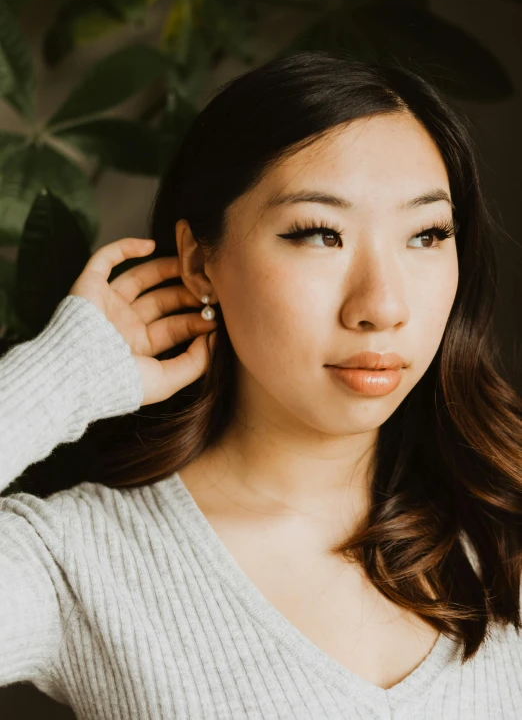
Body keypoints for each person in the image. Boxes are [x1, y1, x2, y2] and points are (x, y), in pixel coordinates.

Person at [1, 51, 521, 720]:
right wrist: (56, 381)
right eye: (318, 234)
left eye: (426, 233)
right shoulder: (80, 558)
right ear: (199, 261)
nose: (383, 304)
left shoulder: (499, 529)